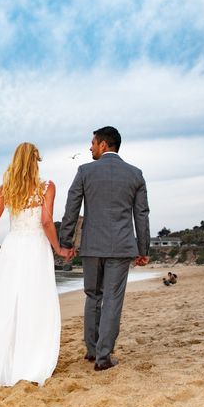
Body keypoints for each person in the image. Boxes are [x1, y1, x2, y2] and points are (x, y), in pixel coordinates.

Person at [0, 142, 69, 387]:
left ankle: (3, 364)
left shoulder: (6, 189)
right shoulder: (47, 187)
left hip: (12, 249)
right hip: (35, 248)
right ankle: (31, 362)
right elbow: (46, 222)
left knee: (7, 304)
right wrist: (58, 248)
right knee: (35, 302)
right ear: (35, 161)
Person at [59, 127, 150, 371]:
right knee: (112, 300)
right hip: (121, 246)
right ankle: (103, 357)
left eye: (92, 143)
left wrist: (66, 242)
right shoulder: (135, 174)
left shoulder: (85, 171)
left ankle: (92, 351)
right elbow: (141, 214)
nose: (90, 148)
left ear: (103, 144)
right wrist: (143, 248)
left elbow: (71, 208)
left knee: (93, 296)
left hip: (91, 245)